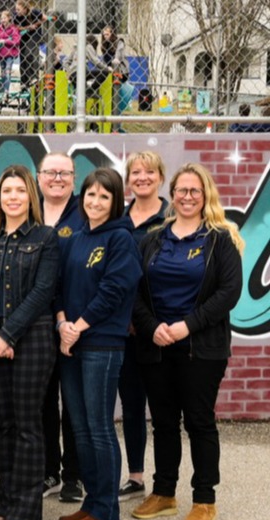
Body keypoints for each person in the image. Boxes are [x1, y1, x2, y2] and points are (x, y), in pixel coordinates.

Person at [131, 163, 244, 520]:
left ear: (205, 194)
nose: (188, 197)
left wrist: (185, 327)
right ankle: (164, 493)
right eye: (182, 190)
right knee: (163, 422)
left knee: (199, 421)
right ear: (172, 194)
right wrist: (153, 328)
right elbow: (134, 291)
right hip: (158, 345)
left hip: (202, 348)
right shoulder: (153, 238)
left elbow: (228, 293)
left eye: (195, 191)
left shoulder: (220, 239)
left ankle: (204, 498)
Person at [0, 165, 58, 520]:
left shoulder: (46, 237)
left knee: (26, 424)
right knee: (3, 425)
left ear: (30, 196)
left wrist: (8, 334)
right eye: (7, 191)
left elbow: (42, 292)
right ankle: (5, 503)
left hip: (33, 340)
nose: (13, 197)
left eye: (20, 191)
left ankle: (27, 509)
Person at [56, 167, 142, 520]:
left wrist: (78, 326)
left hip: (102, 344)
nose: (95, 201)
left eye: (104, 196)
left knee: (99, 427)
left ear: (115, 201)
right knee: (79, 427)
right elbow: (60, 286)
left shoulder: (121, 239)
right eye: (90, 194)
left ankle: (107, 512)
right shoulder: (77, 237)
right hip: (70, 342)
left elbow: (115, 289)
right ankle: (92, 501)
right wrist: (62, 324)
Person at [118, 151, 169, 501]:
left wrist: (148, 321)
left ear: (161, 178)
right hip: (123, 329)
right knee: (132, 404)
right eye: (136, 172)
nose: (142, 178)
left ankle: (167, 482)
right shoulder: (119, 218)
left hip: (160, 328)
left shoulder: (172, 217)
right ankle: (136, 477)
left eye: (149, 172)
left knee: (165, 408)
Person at [37, 152, 85, 503]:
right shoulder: (27, 208)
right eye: (50, 172)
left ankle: (74, 475)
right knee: (41, 402)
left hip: (74, 324)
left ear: (74, 177)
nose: (57, 178)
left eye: (64, 172)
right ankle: (48, 470)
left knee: (73, 402)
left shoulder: (87, 210)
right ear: (39, 177)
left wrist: (72, 322)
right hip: (36, 323)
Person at [12, 0, 45, 90]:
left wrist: (36, 24)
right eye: (16, 9)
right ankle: (24, 81)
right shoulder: (16, 15)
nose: (17, 11)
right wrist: (28, 27)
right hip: (24, 35)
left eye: (19, 9)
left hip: (35, 34)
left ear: (24, 8)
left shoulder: (34, 12)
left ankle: (33, 77)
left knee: (28, 54)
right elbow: (16, 27)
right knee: (22, 58)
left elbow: (44, 18)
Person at [0, 11, 20, 97]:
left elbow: (16, 41)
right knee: (2, 73)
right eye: (1, 18)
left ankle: (6, 91)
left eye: (4, 18)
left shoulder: (13, 29)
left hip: (10, 54)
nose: (3, 20)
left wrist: (5, 41)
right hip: (1, 54)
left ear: (9, 18)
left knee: (7, 71)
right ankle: (4, 89)